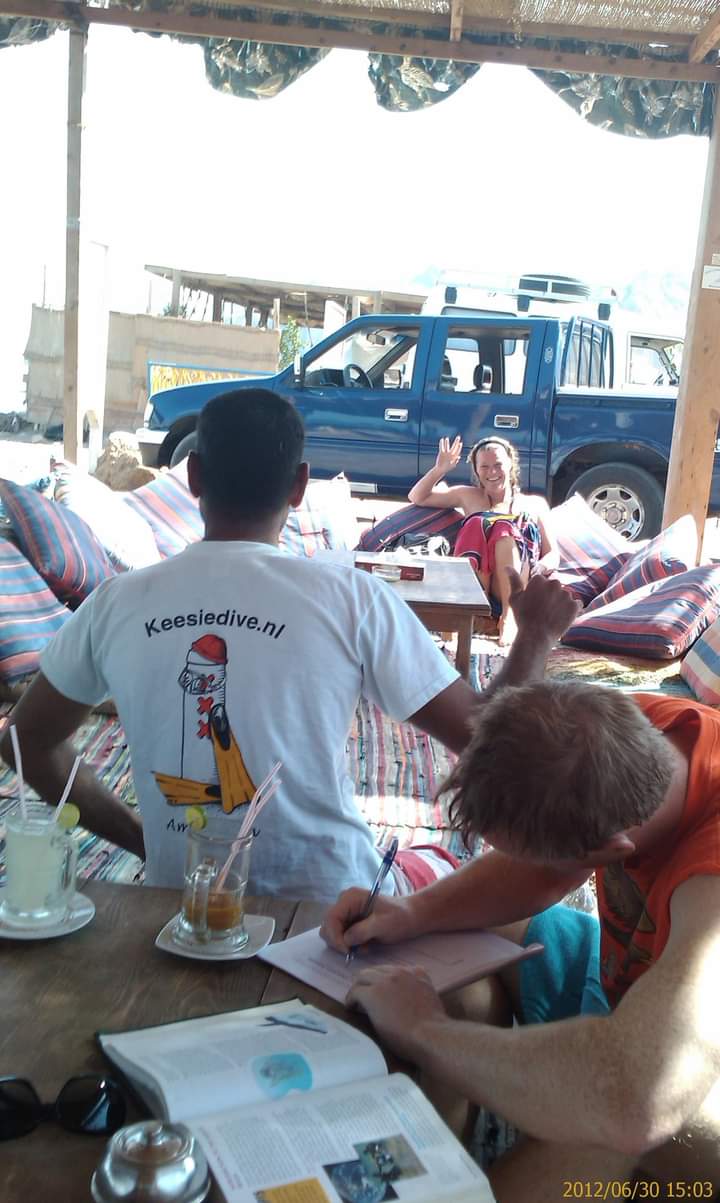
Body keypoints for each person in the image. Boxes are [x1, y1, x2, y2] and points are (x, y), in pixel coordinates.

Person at [0, 389, 578, 901]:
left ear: (193, 477)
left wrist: (145, 840)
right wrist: (535, 636)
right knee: (454, 873)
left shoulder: (115, 603)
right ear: (300, 486)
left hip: (189, 897)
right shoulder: (351, 597)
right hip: (336, 907)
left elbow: (23, 742)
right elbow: (484, 736)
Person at [321, 681, 720, 1198]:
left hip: (679, 1075)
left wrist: (424, 1030)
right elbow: (543, 871)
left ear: (611, 849)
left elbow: (639, 1100)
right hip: (633, 988)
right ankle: (443, 1159)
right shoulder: (627, 730)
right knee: (453, 940)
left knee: (602, 1125)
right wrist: (412, 912)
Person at [409, 435, 558, 645]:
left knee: (503, 529)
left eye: (498, 465)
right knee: (477, 524)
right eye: (485, 467)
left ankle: (509, 617)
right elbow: (417, 497)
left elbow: (554, 554)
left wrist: (543, 566)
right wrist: (440, 469)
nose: (492, 472)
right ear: (476, 471)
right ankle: (469, 613)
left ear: (511, 465)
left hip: (518, 583)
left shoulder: (534, 504)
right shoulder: (468, 496)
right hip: (475, 586)